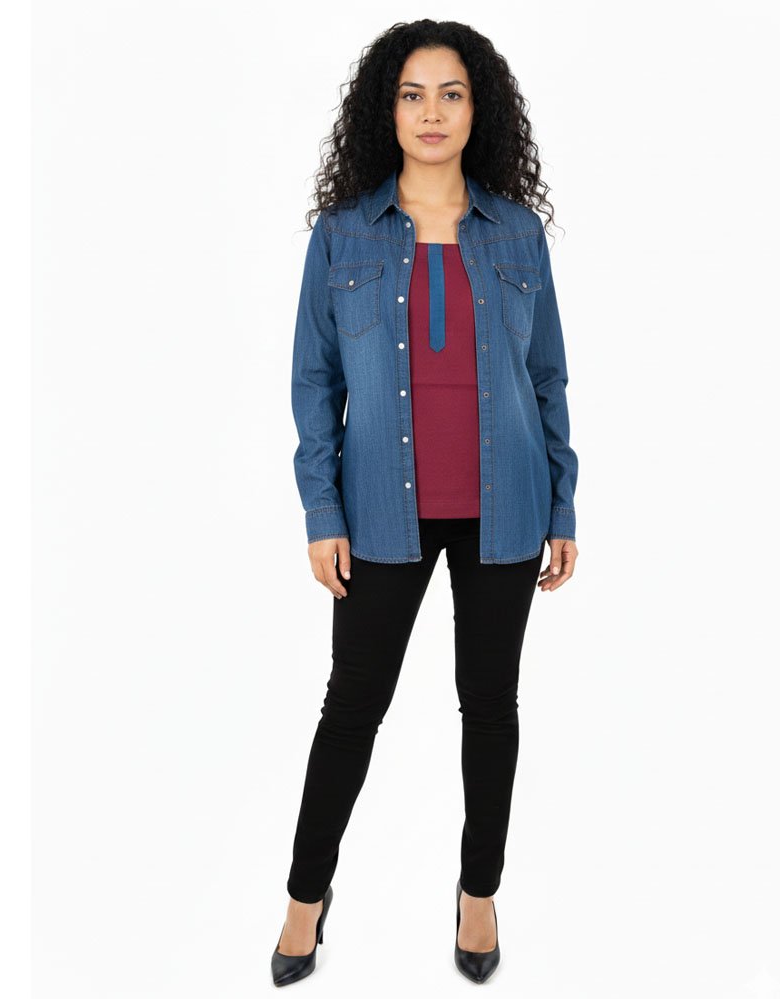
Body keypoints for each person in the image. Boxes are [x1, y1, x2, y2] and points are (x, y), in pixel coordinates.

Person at [271, 18, 579, 987]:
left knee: (490, 707)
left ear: (479, 109)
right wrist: (322, 511)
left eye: (451, 93)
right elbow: (314, 382)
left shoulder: (517, 233)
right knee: (351, 707)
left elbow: (548, 378)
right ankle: (304, 899)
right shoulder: (344, 234)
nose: (432, 112)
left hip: (507, 508)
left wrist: (564, 507)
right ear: (387, 110)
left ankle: (478, 892)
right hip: (377, 513)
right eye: (412, 94)